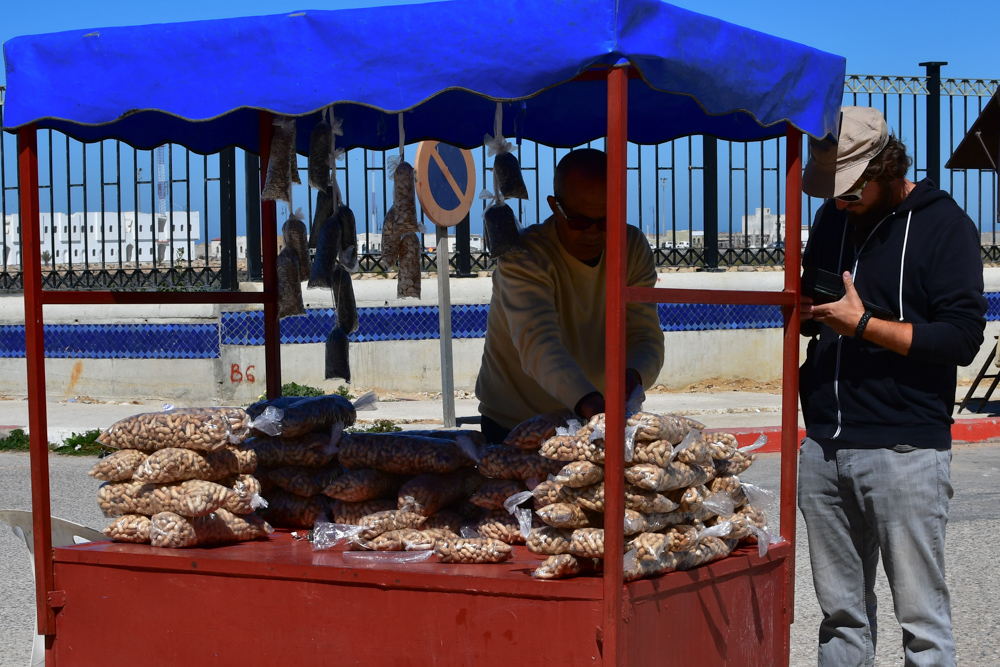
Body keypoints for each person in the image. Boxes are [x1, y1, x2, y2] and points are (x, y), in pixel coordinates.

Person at [798, 106, 986, 667]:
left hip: (905, 449)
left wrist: (862, 325)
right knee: (840, 619)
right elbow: (815, 302)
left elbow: (960, 339)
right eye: (833, 192)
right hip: (826, 446)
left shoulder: (944, 225)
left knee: (922, 623)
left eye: (851, 191)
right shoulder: (834, 219)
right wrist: (811, 314)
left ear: (884, 167)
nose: (839, 202)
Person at [475, 148, 665, 443]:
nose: (593, 233)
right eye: (579, 221)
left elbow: (645, 335)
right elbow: (538, 343)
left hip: (593, 419)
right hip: (515, 422)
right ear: (554, 206)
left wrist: (633, 379)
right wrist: (593, 406)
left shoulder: (633, 248)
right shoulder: (523, 256)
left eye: (606, 221)